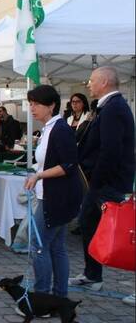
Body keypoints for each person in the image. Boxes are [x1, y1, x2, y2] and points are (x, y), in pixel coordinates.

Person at [72, 66, 135, 292]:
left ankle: (93, 275)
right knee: (89, 224)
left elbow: (111, 150)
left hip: (108, 183)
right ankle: (92, 275)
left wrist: (96, 182)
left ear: (105, 82)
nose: (88, 84)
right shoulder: (108, 107)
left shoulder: (114, 108)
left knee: (125, 234)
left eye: (92, 80)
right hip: (104, 183)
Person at [20, 85, 82, 308]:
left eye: (36, 104)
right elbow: (48, 160)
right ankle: (58, 297)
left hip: (57, 196)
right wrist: (36, 173)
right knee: (56, 246)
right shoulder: (49, 128)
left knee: (39, 245)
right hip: (52, 194)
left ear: (52, 105)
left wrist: (39, 175)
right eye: (30, 103)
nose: (32, 108)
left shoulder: (60, 129)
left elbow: (68, 165)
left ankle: (43, 297)